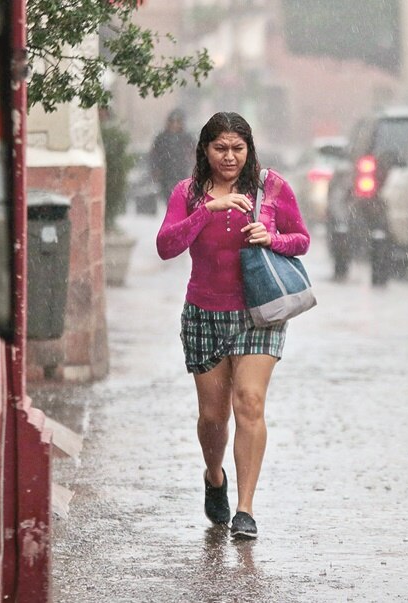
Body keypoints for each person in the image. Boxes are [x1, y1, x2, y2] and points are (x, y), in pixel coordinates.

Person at [156, 112, 310, 539]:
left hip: (259, 312)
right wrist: (208, 210)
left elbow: (301, 239)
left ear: (250, 149)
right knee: (212, 417)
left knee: (249, 401)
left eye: (238, 148)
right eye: (220, 148)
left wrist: (272, 238)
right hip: (204, 312)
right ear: (205, 149)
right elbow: (167, 246)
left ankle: (245, 509)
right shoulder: (187, 193)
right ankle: (214, 477)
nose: (230, 157)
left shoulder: (272, 186)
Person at [150, 110, 198, 204]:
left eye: (178, 121)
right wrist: (155, 169)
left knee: (181, 199)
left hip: (182, 173)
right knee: (169, 199)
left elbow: (194, 153)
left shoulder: (187, 137)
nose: (175, 124)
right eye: (173, 121)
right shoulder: (161, 138)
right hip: (165, 174)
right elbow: (154, 155)